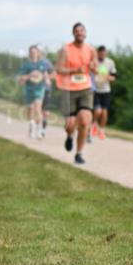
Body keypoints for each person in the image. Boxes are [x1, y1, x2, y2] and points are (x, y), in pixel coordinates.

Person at [55, 23, 97, 164]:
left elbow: (97, 69)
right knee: (70, 124)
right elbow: (59, 69)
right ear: (73, 34)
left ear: (85, 33)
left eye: (82, 31)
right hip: (69, 89)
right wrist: (74, 70)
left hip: (85, 88)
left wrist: (94, 68)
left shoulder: (91, 50)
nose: (80, 33)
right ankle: (70, 135)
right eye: (77, 31)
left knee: (85, 121)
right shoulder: (66, 50)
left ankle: (79, 153)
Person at [18, 45, 50, 139]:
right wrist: (29, 75)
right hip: (29, 89)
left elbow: (45, 74)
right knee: (30, 109)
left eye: (35, 52)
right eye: (31, 52)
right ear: (29, 53)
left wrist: (47, 80)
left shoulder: (42, 64)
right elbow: (21, 77)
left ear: (38, 53)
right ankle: (31, 126)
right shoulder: (26, 65)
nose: (33, 53)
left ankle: (39, 130)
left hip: (39, 88)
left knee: (37, 108)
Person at [91, 46, 117, 140]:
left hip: (106, 90)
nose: (102, 55)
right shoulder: (93, 61)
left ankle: (101, 130)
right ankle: (93, 125)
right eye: (100, 53)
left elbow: (113, 77)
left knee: (105, 112)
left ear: (106, 53)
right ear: (97, 53)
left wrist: (104, 76)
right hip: (95, 90)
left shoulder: (110, 62)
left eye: (104, 53)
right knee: (98, 111)